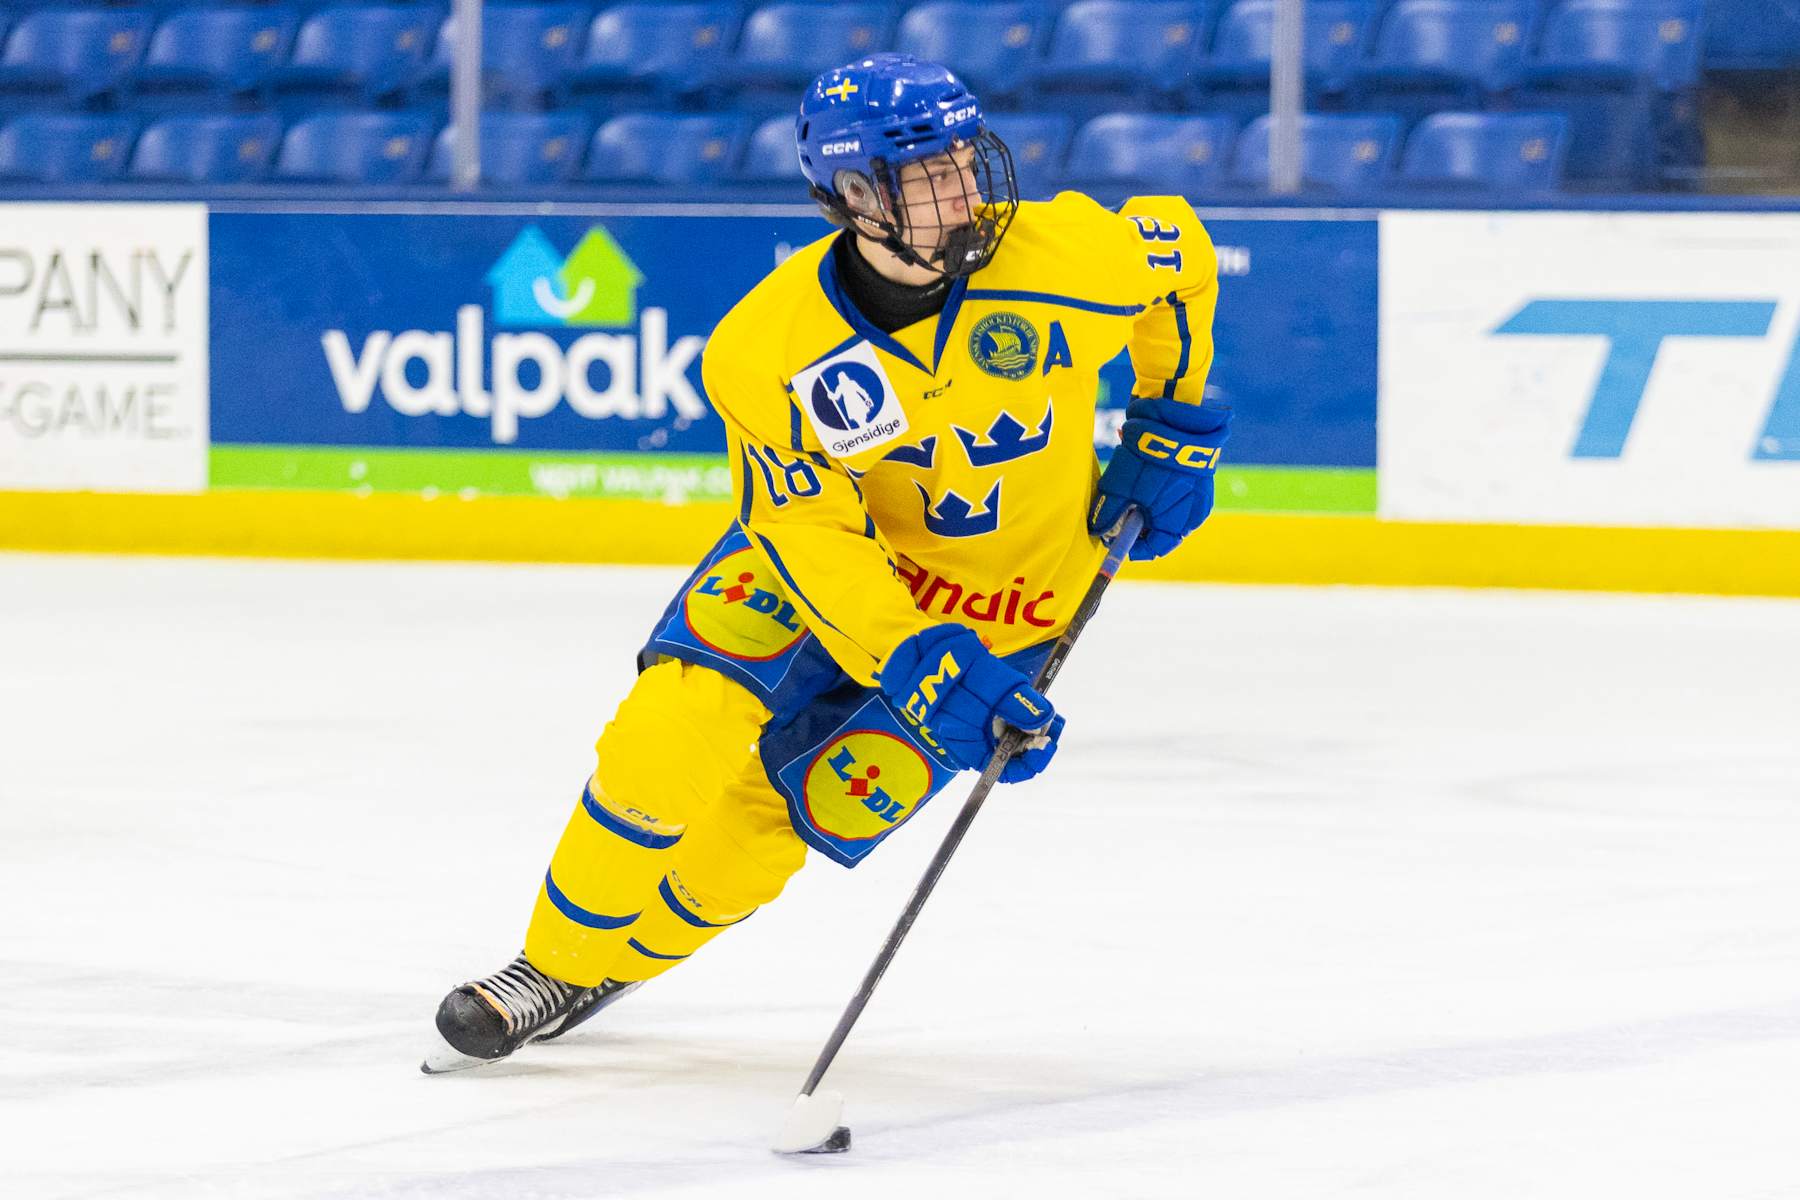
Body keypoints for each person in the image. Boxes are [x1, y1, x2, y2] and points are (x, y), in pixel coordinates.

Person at [423, 52, 1230, 1073]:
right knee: (672, 733)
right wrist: (916, 655)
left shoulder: (1066, 257)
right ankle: (551, 961)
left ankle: (614, 964)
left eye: (967, 163)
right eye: (928, 176)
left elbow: (1181, 253)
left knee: (775, 822)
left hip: (1012, 610)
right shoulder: (768, 350)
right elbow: (812, 543)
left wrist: (1176, 417)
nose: (968, 192)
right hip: (814, 571)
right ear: (854, 197)